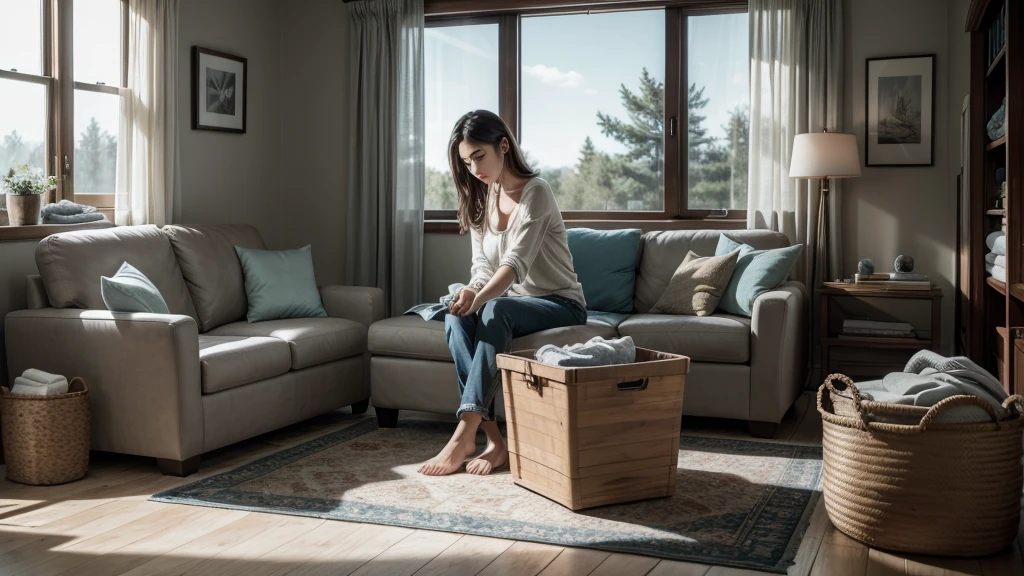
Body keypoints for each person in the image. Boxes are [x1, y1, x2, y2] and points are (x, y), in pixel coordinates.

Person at [417, 110, 587, 476]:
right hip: (509, 302)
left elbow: (513, 266)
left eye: (479, 155)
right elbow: (482, 268)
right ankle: (495, 441)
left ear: (503, 146)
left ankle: (465, 431)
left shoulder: (536, 192)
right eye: (466, 161)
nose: (474, 167)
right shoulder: (483, 197)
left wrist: (480, 299)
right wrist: (469, 292)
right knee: (455, 315)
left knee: (493, 310)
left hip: (560, 303)